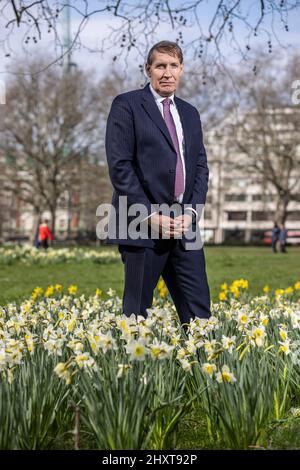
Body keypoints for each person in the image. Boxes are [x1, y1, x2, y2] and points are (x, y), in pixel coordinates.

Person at [105, 40, 211, 325]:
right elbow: (120, 166)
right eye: (160, 66)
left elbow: (200, 167)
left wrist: (191, 213)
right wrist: (150, 215)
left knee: (200, 316)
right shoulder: (127, 105)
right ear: (148, 69)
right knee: (137, 314)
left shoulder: (190, 113)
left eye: (173, 66)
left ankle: (199, 370)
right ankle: (136, 370)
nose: (167, 73)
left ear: (182, 70)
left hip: (183, 224)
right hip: (140, 224)